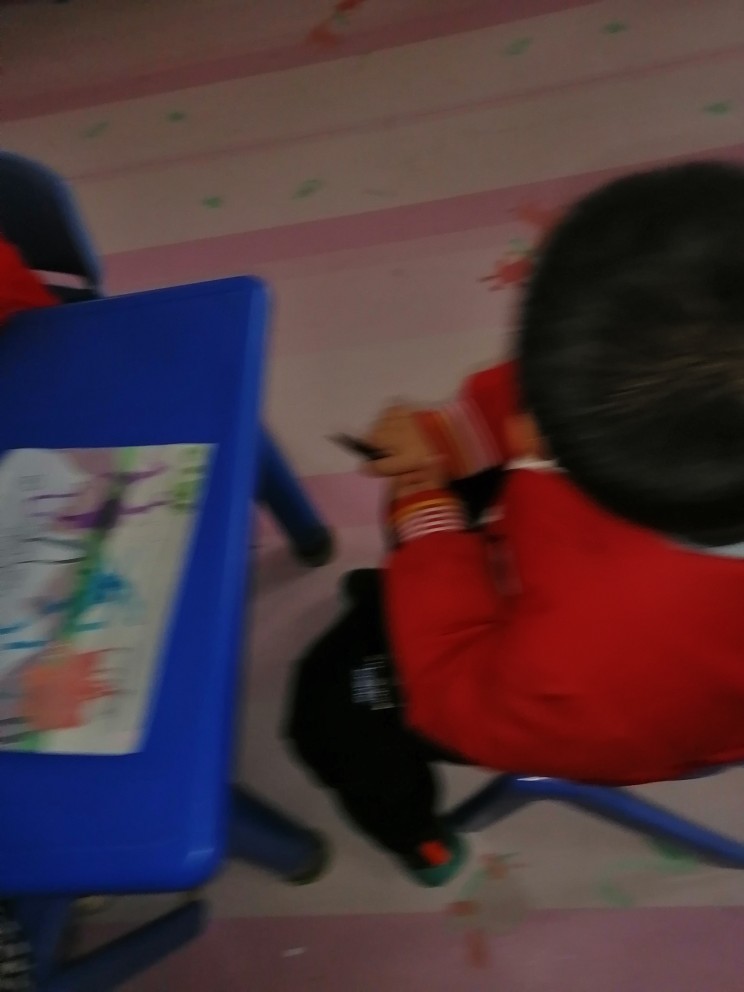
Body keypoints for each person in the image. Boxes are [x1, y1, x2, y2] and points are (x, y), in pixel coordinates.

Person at [286, 161, 744, 886]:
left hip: (579, 695)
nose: (519, 421)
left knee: (333, 703)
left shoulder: (606, 660)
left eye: (535, 425)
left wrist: (427, 519)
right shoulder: (675, 383)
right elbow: (585, 374)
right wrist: (448, 435)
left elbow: (454, 696)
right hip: (603, 607)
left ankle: (416, 835)